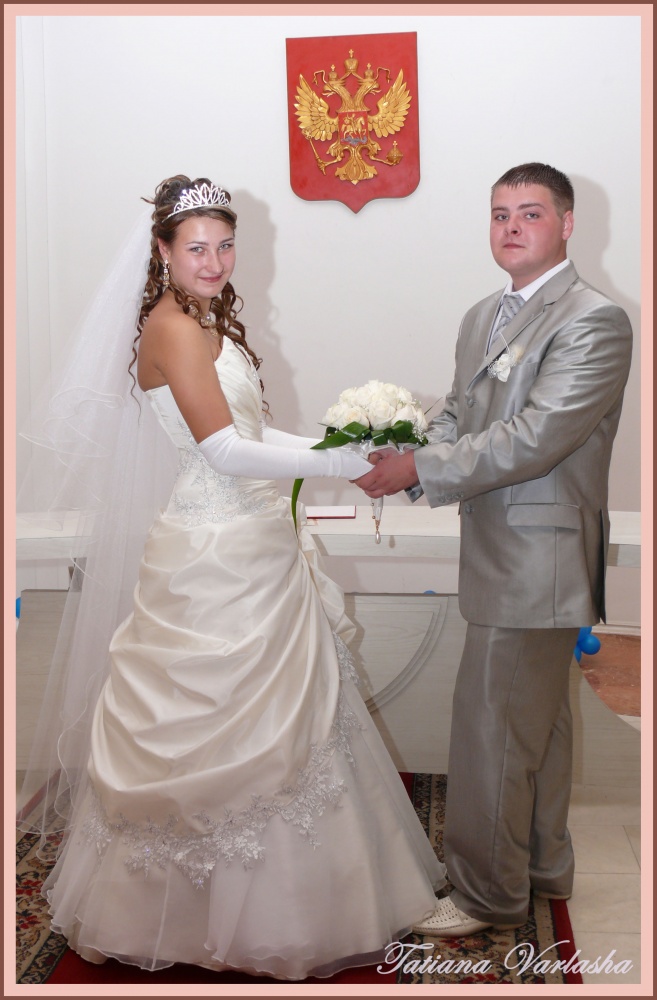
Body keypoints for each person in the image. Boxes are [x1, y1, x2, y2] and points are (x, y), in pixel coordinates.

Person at [19, 176, 445, 979]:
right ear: (162, 251)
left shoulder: (204, 320)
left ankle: (286, 899)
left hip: (251, 541)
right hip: (212, 554)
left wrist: (342, 445)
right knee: (219, 728)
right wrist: (341, 467)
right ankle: (195, 914)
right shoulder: (172, 327)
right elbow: (220, 452)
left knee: (285, 725)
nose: (213, 262)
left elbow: (248, 429)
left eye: (224, 245)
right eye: (196, 248)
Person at [355, 162, 632, 936]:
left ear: (566, 224)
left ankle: (485, 895)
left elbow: (534, 437)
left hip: (537, 559)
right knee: (535, 726)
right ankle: (539, 866)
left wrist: (422, 469)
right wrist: (405, 456)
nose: (511, 226)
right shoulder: (484, 313)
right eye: (499, 213)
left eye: (530, 213)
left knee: (493, 731)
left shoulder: (592, 319)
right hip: (500, 550)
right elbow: (459, 414)